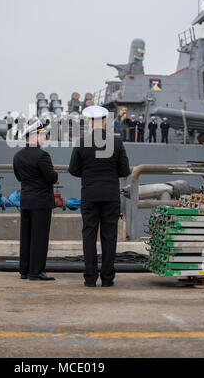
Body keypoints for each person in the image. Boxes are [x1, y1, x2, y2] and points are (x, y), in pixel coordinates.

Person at [69, 105, 131, 288]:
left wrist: (88, 176)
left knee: (89, 234)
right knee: (109, 236)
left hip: (89, 194)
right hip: (110, 195)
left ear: (90, 123)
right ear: (105, 122)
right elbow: (124, 170)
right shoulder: (117, 143)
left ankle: (89, 278)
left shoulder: (81, 142)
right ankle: (107, 279)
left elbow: (73, 169)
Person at [13, 120, 58, 281]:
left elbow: (19, 177)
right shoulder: (42, 155)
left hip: (25, 200)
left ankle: (24, 270)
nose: (44, 138)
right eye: (43, 135)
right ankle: (36, 271)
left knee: (26, 236)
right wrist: (55, 176)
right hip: (41, 202)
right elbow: (51, 177)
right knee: (39, 237)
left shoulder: (18, 156)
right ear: (34, 136)